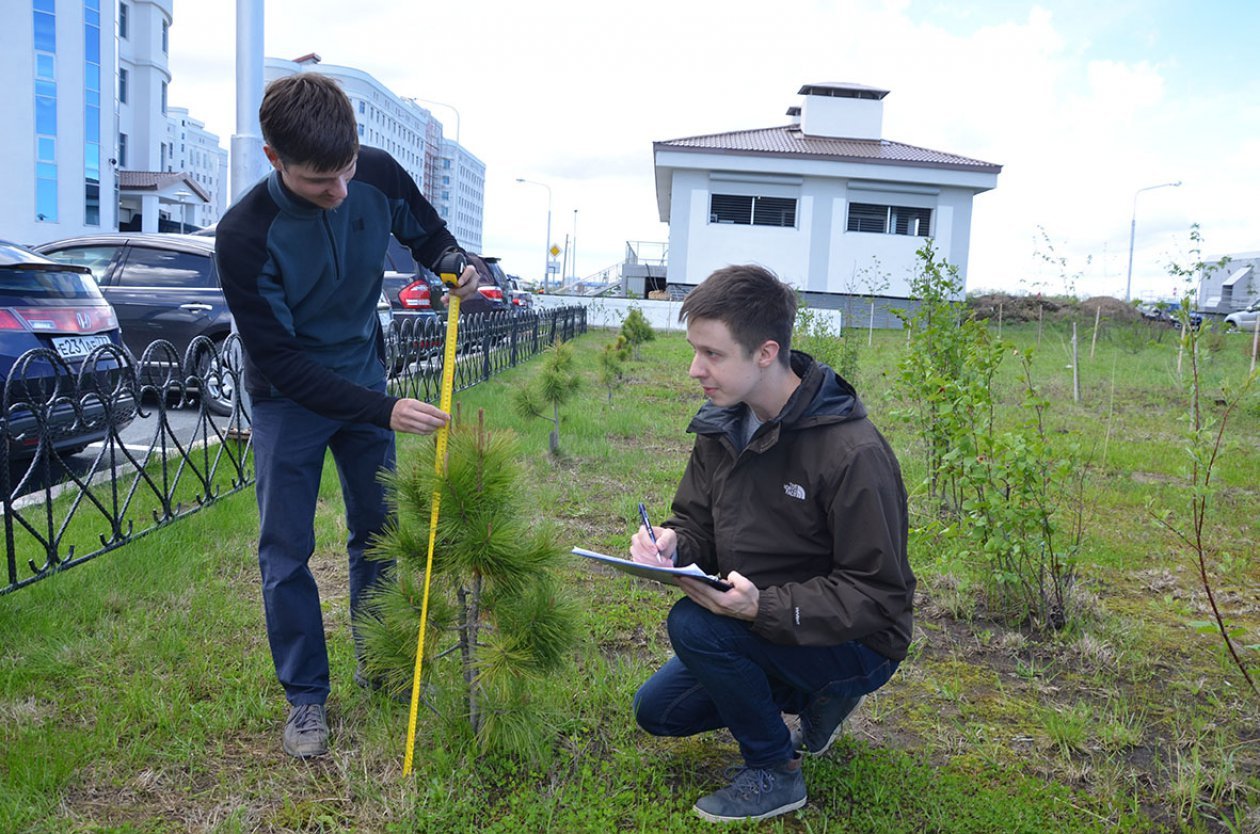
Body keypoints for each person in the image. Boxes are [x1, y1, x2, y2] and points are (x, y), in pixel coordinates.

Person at [214, 73, 480, 759]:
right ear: (274, 159)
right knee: (285, 552)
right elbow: (282, 363)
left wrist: (453, 263)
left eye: (346, 172)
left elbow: (431, 236)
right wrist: (384, 408)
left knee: (378, 534)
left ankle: (384, 665)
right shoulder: (245, 235)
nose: (338, 193)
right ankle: (306, 699)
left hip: (364, 381)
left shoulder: (379, 174)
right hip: (289, 402)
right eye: (316, 182)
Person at [629, 265, 915, 823]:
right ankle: (813, 697)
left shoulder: (851, 452)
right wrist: (672, 544)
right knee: (658, 711)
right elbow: (698, 527)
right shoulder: (721, 428)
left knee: (694, 627)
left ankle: (775, 771)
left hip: (859, 641)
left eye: (712, 354)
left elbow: (878, 594)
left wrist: (764, 608)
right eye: (694, 351)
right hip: (762, 620)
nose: (695, 370)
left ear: (765, 353)